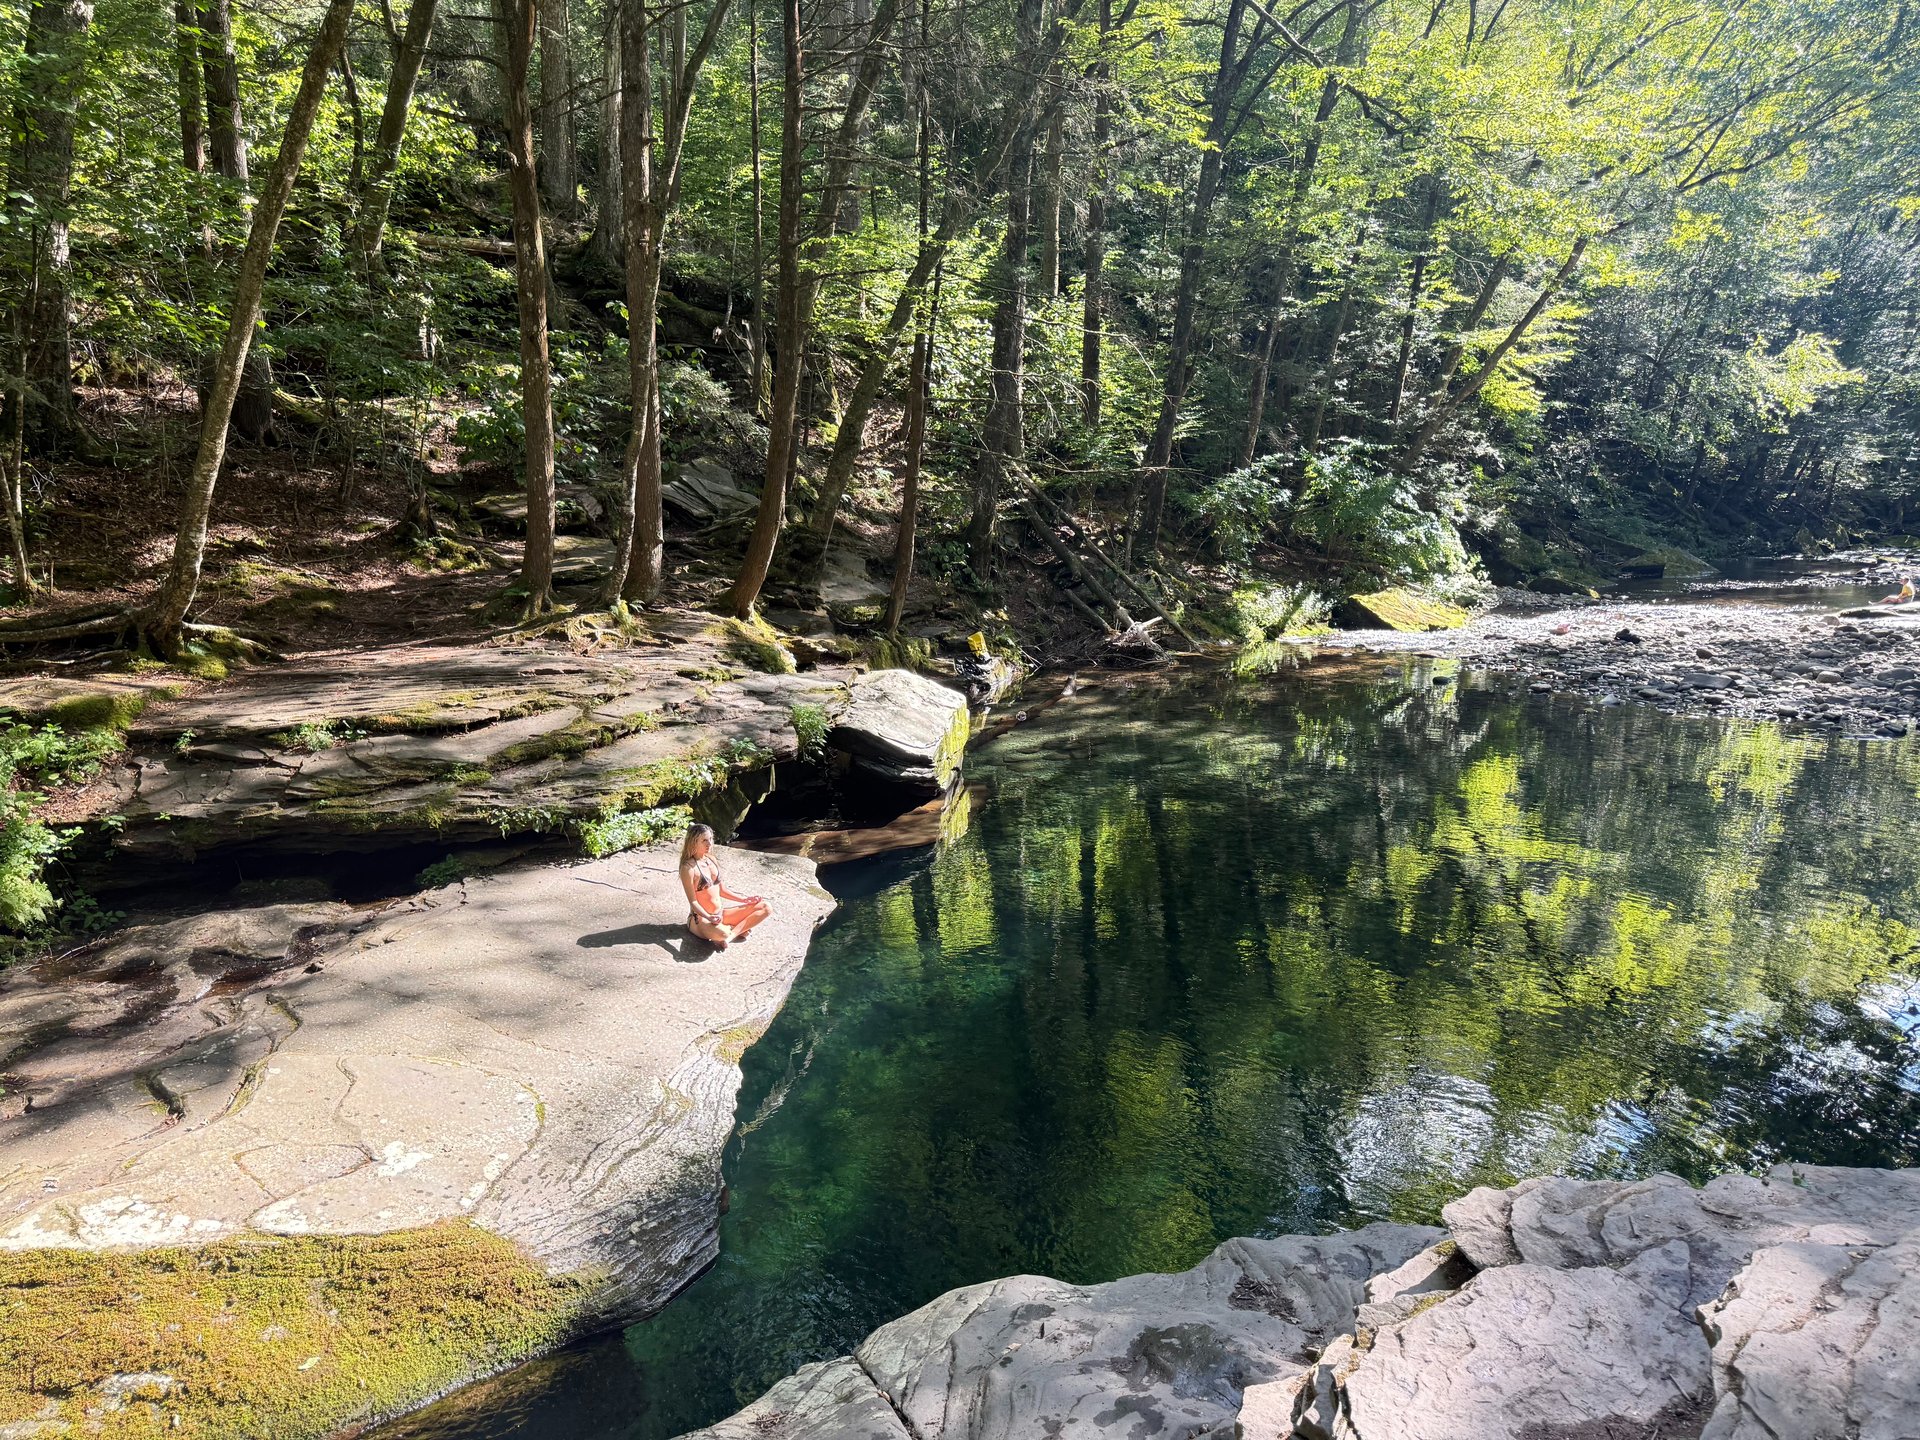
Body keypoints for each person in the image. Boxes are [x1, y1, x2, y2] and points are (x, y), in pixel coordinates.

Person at [678, 824, 771, 947]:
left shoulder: (711, 860)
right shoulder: (688, 868)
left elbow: (722, 890)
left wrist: (745, 899)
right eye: (704, 840)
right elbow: (693, 903)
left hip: (720, 915)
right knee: (723, 933)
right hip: (701, 920)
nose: (709, 844)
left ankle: (731, 934)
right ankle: (732, 932)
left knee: (766, 907)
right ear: (693, 842)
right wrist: (709, 917)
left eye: (710, 839)